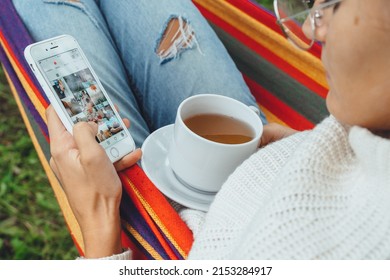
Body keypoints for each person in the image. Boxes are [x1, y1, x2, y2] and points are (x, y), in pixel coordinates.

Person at [17, 0, 390, 259]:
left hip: (171, 225)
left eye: (333, 6)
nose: (311, 25)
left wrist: (98, 222)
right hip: (257, 153)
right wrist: (308, 150)